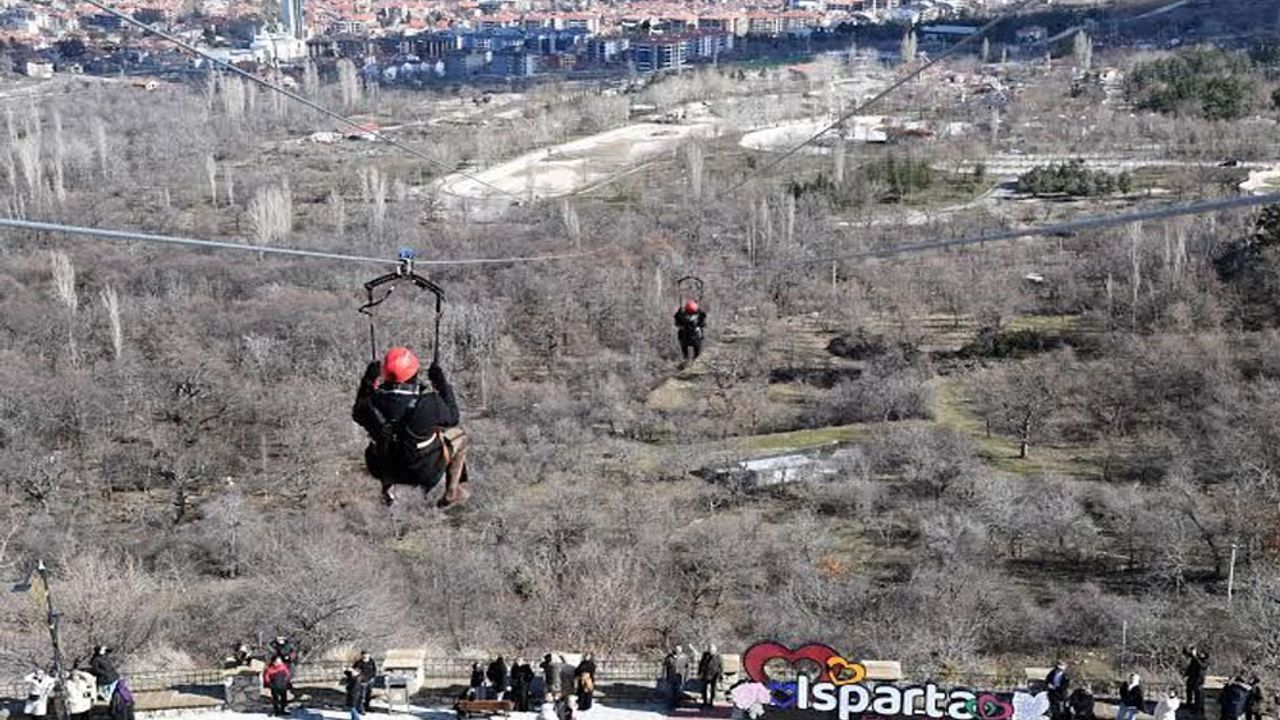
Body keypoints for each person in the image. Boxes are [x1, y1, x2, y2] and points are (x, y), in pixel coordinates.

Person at [352, 347, 470, 508]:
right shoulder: (430, 403)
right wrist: (441, 382)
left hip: (383, 469)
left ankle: (388, 487)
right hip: (424, 472)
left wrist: (368, 378)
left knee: (382, 441)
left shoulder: (371, 403)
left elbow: (358, 409)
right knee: (460, 437)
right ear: (414, 374)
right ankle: (452, 490)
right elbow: (453, 417)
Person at [1183, 646, 1208, 718]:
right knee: (1189, 691)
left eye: (1202, 654)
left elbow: (1201, 666)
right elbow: (1190, 666)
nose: (1200, 654)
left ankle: (1197, 709)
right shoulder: (1195, 659)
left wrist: (1195, 656)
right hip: (1192, 678)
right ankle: (1189, 704)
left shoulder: (1204, 661)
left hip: (1199, 680)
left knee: (1198, 695)